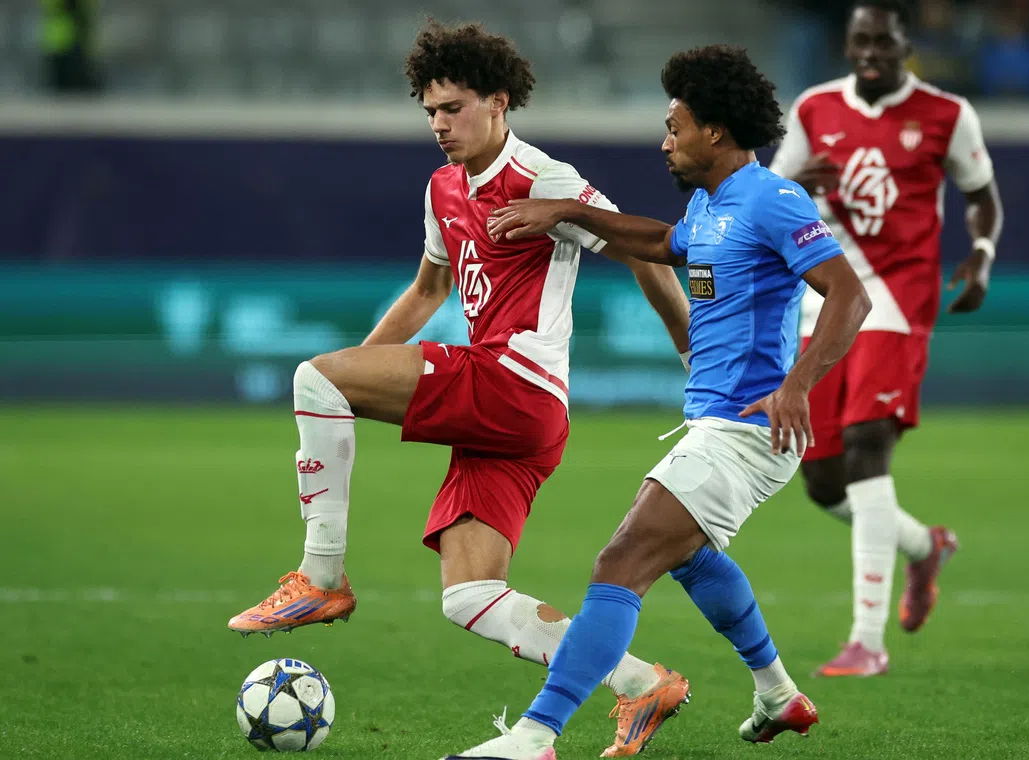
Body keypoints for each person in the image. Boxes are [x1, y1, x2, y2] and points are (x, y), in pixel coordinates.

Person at [225, 20, 695, 758]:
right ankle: (640, 682)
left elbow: (647, 250)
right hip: (509, 418)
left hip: (516, 383)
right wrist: (360, 372)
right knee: (469, 596)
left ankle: (321, 577)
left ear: (499, 101)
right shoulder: (444, 187)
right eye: (430, 112)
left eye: (453, 108)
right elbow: (428, 288)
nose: (440, 125)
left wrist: (688, 344)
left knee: (311, 376)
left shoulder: (545, 179)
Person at [445, 44, 870, 760]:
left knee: (620, 561)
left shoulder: (772, 198)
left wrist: (797, 384)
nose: (665, 141)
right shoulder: (709, 205)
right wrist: (568, 211)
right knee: (690, 558)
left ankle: (535, 736)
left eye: (675, 126)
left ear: (716, 132)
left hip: (748, 427)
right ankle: (778, 694)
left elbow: (848, 294)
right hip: (714, 421)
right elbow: (666, 243)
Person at [767, 0, 1004, 676]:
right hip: (829, 299)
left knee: (871, 443)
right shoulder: (815, 108)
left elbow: (981, 192)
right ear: (847, 46)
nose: (870, 52)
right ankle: (924, 546)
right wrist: (794, 185)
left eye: (883, 42)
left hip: (899, 297)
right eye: (860, 41)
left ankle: (866, 642)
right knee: (820, 478)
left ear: (905, 46)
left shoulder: (947, 115)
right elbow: (773, 192)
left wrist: (982, 252)